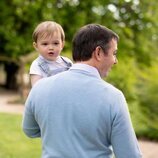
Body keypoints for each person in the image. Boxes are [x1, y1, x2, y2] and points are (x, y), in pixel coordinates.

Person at [22, 24, 142, 158]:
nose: (115, 61)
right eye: (114, 53)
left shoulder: (39, 88)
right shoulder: (114, 97)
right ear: (98, 53)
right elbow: (130, 155)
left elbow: (30, 130)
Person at [29, 21, 72, 86]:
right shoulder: (37, 65)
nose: (51, 47)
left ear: (62, 45)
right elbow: (36, 89)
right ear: (36, 46)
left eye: (55, 43)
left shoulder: (67, 63)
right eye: (45, 44)